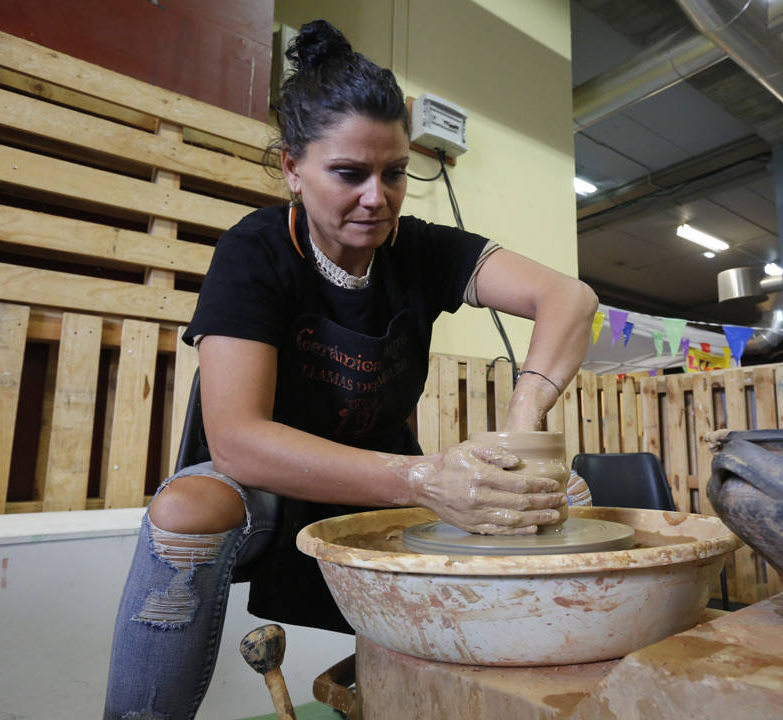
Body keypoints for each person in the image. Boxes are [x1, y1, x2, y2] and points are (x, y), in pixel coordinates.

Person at [103, 18, 598, 719]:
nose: (377, 197)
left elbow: (569, 298)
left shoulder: (418, 248)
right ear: (292, 169)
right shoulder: (256, 251)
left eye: (394, 173)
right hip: (277, 485)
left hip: (387, 486)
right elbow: (238, 440)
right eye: (349, 174)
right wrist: (422, 477)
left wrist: (520, 427)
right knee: (187, 507)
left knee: (561, 496)